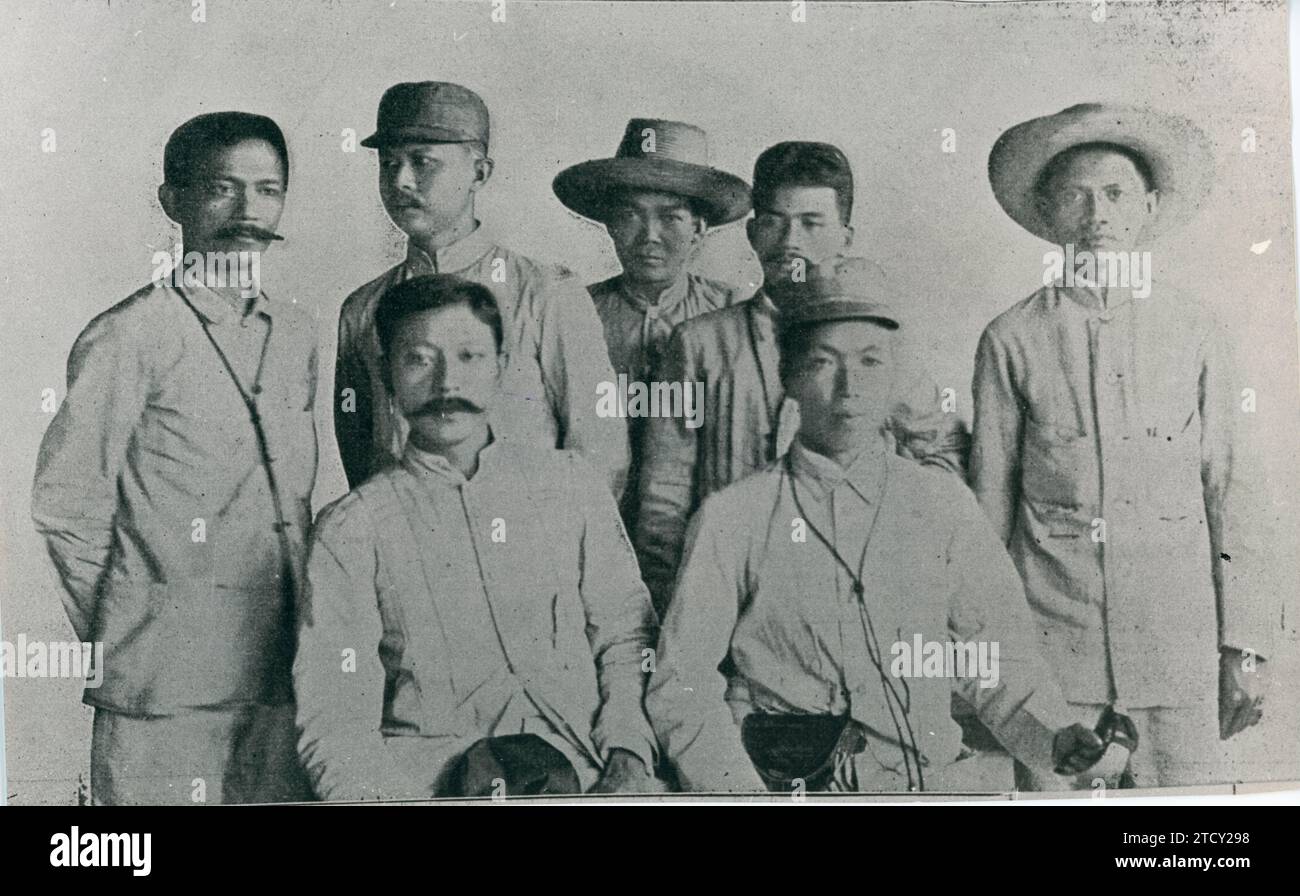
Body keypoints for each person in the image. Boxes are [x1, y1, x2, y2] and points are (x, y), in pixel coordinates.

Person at [646, 258, 1108, 792]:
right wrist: (739, 793)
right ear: (788, 377)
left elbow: (996, 657)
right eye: (822, 362)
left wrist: (1054, 735)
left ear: (894, 377)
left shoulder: (941, 505)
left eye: (870, 362)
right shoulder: (733, 518)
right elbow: (681, 685)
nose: (848, 388)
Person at [972, 102, 1275, 788]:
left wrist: (1245, 648)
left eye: (1114, 195)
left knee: (1183, 847)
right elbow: (988, 515)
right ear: (1048, 213)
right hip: (1053, 668)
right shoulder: (1011, 339)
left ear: (1148, 207)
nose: (1096, 215)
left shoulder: (1196, 333)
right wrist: (992, 672)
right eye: (1076, 196)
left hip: (1178, 657)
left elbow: (1236, 495)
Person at [32, 112, 317, 804]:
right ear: (174, 201)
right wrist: (139, 625)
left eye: (268, 190)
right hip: (161, 696)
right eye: (223, 188)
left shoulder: (299, 334)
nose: (249, 212)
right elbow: (66, 508)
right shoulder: (129, 334)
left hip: (287, 683)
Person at [296, 274, 662, 800]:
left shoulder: (570, 486)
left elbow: (626, 639)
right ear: (386, 374)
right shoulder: (352, 529)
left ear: (502, 364)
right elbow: (334, 720)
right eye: (419, 359)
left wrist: (627, 756)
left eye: (469, 356)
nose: (447, 384)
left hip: (588, 775)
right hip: (429, 789)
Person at [635, 141, 968, 614]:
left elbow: (943, 454)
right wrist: (683, 607)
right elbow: (663, 501)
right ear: (752, 232)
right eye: (774, 221)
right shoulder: (698, 344)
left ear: (846, 238)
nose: (790, 242)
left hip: (858, 600)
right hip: (733, 601)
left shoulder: (884, 343)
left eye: (812, 224)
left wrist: (887, 532)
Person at [334, 81, 628, 492]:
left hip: (526, 542)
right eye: (388, 163)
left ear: (479, 172)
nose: (401, 180)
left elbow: (602, 451)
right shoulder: (362, 309)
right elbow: (361, 457)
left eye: (422, 161)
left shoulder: (546, 293)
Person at [553, 117, 751, 530]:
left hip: (707, 533)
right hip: (597, 529)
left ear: (699, 229)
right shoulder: (574, 313)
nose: (650, 236)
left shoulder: (734, 315)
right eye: (630, 216)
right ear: (609, 225)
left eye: (670, 218)